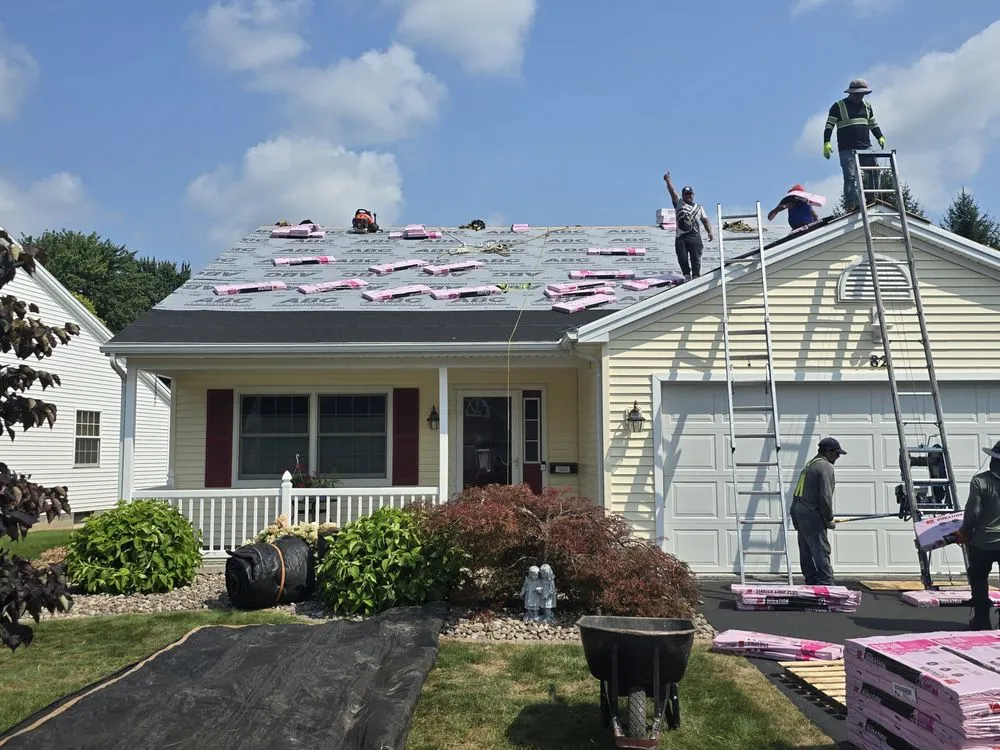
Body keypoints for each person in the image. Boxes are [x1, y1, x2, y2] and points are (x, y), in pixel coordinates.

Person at [822, 79, 887, 214]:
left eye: (862, 94)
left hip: (866, 146)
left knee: (874, 171)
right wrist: (826, 142)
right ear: (851, 93)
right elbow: (829, 126)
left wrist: (879, 136)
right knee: (850, 177)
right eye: (857, 94)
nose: (859, 97)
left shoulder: (867, 106)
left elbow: (873, 124)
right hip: (847, 148)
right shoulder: (838, 106)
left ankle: (872, 198)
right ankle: (850, 204)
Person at [954, 441, 1000, 630]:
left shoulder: (980, 481)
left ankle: (981, 620)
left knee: (979, 579)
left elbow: (973, 512)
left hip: (983, 542)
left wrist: (964, 531)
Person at [790, 437, 847, 586]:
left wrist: (794, 514)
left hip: (800, 511)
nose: (838, 456)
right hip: (812, 513)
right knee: (820, 548)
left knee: (806, 549)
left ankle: (811, 579)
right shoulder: (825, 466)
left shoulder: (810, 465)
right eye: (837, 453)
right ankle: (826, 582)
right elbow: (825, 497)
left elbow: (797, 492)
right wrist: (829, 518)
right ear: (829, 452)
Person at [663, 172, 714, 281]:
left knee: (696, 257)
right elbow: (672, 193)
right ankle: (687, 275)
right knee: (682, 258)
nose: (688, 196)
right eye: (686, 194)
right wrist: (668, 181)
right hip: (681, 237)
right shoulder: (679, 203)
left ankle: (696, 275)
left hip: (695, 237)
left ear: (693, 194)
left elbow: (705, 221)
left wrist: (709, 232)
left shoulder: (699, 208)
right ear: (683, 195)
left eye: (690, 194)